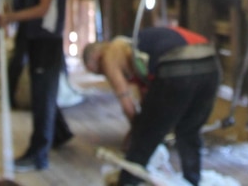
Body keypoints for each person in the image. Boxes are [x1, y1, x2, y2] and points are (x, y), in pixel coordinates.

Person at [82, 25, 221, 186]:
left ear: (97, 55)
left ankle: (127, 183)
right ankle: (192, 179)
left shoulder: (110, 53)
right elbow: (152, 101)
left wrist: (137, 131)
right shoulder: (139, 49)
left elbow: (127, 103)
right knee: (189, 132)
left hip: (177, 66)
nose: (103, 73)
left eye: (99, 71)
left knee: (143, 140)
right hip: (210, 64)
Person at [0, 0, 74, 172]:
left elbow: (43, 8)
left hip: (47, 36)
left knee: (42, 94)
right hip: (30, 31)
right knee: (43, 90)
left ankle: (38, 154)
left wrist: (11, 18)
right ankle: (60, 133)